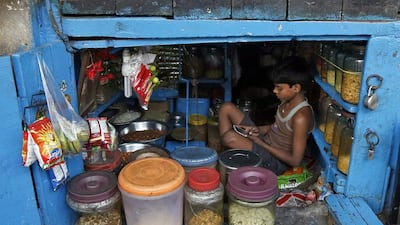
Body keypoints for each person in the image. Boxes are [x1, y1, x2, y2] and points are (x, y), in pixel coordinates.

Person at [218, 56, 315, 175]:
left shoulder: (301, 117)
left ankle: (229, 158)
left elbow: (295, 161)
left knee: (230, 138)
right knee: (226, 108)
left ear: (296, 88)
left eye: (279, 88)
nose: (274, 91)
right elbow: (276, 128)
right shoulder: (287, 101)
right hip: (265, 143)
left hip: (276, 161)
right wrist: (256, 130)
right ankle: (228, 156)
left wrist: (260, 143)